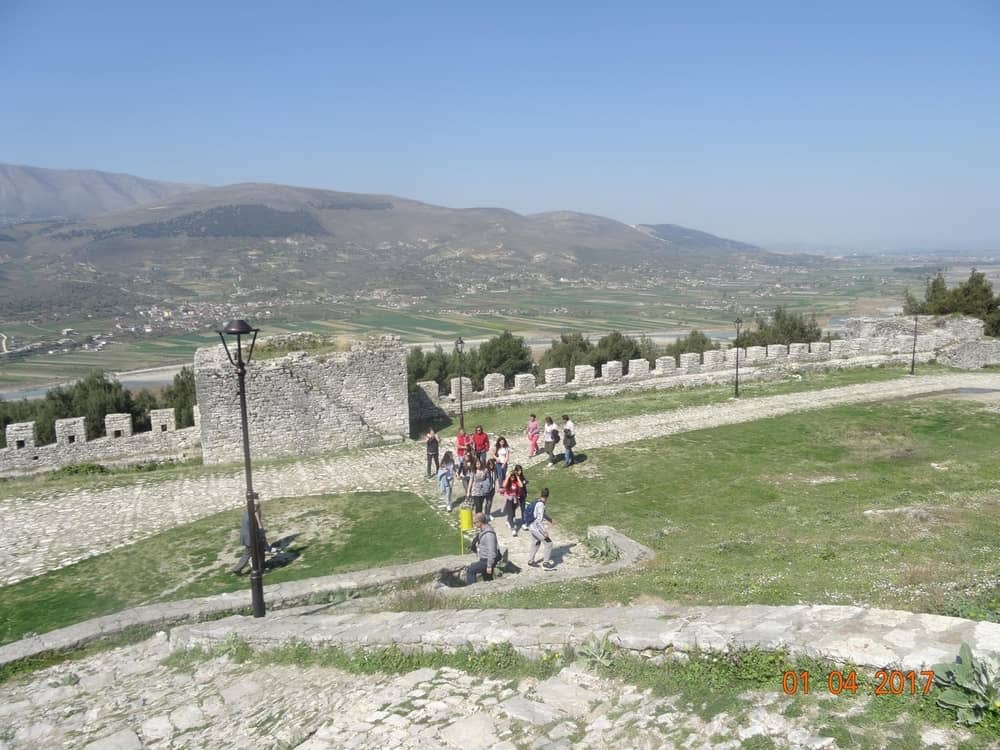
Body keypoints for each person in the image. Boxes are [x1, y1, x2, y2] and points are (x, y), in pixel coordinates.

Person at [231, 501, 274, 575]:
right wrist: (262, 536)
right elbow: (257, 528)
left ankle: (237, 568)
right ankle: (259, 569)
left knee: (249, 553)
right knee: (255, 554)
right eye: (257, 507)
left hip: (246, 537)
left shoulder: (246, 513)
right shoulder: (252, 516)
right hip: (251, 539)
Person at [466, 512, 499, 584]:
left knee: (470, 570)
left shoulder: (489, 534)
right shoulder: (484, 531)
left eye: (474, 523)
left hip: (486, 560)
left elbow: (492, 550)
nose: (474, 525)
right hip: (484, 559)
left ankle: (474, 589)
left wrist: (489, 566)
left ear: (480, 522)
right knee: (487, 578)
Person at [526, 488, 555, 569]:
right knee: (549, 544)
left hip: (531, 525)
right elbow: (538, 521)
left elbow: (540, 515)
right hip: (536, 527)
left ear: (541, 494)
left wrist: (550, 519)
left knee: (536, 542)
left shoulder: (536, 501)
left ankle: (531, 561)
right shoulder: (541, 505)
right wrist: (544, 532)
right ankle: (545, 563)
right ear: (548, 496)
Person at [502, 463, 526, 534]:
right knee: (511, 513)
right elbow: (503, 485)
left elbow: (521, 485)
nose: (512, 478)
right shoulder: (508, 482)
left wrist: (517, 476)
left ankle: (508, 521)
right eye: (511, 477)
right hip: (509, 499)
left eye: (513, 477)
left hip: (515, 500)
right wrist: (508, 476)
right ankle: (513, 529)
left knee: (513, 513)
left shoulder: (515, 482)